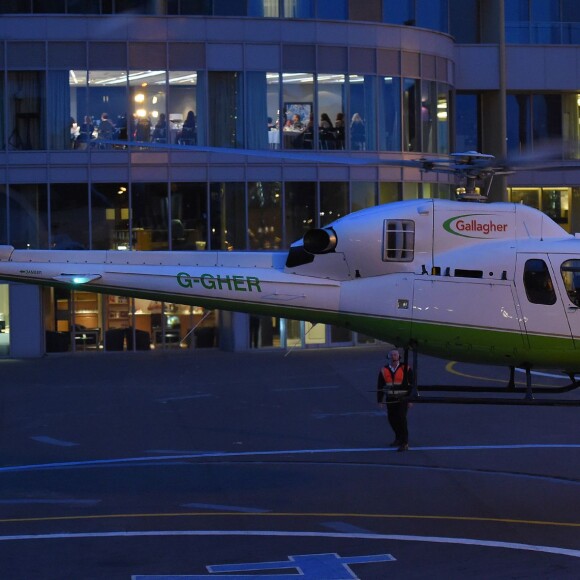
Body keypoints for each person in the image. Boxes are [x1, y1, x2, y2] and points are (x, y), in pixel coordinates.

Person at [377, 349, 413, 452]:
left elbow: (412, 384)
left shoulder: (406, 368)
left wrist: (411, 399)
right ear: (389, 357)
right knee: (391, 419)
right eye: (392, 355)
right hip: (390, 399)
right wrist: (380, 400)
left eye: (395, 354)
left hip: (402, 398)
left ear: (399, 357)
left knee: (401, 419)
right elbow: (380, 385)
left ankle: (405, 442)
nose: (394, 356)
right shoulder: (384, 370)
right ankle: (398, 437)